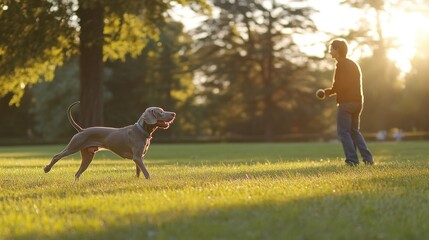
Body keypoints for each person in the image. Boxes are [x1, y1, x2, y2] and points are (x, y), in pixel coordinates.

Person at [324, 38, 374, 166]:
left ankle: (352, 160)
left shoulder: (341, 65)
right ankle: (368, 159)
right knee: (354, 131)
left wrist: (328, 92)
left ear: (338, 50)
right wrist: (331, 91)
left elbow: (340, 85)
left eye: (332, 49)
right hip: (358, 102)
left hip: (346, 103)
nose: (330, 52)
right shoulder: (353, 64)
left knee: (343, 132)